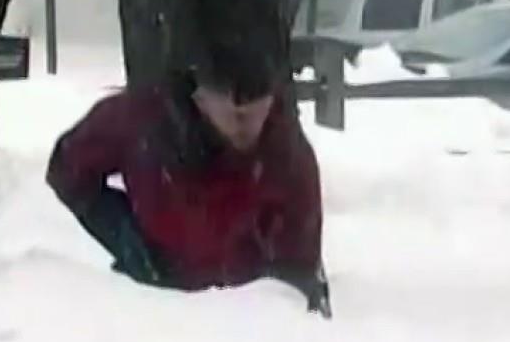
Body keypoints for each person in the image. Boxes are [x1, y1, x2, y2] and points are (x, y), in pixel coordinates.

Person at [46, 36, 331, 317]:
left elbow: (302, 275)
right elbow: (66, 170)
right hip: (152, 310)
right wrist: (126, 237)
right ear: (200, 97)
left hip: (246, 321)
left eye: (255, 112)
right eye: (233, 115)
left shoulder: (286, 155)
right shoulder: (143, 120)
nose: (245, 126)